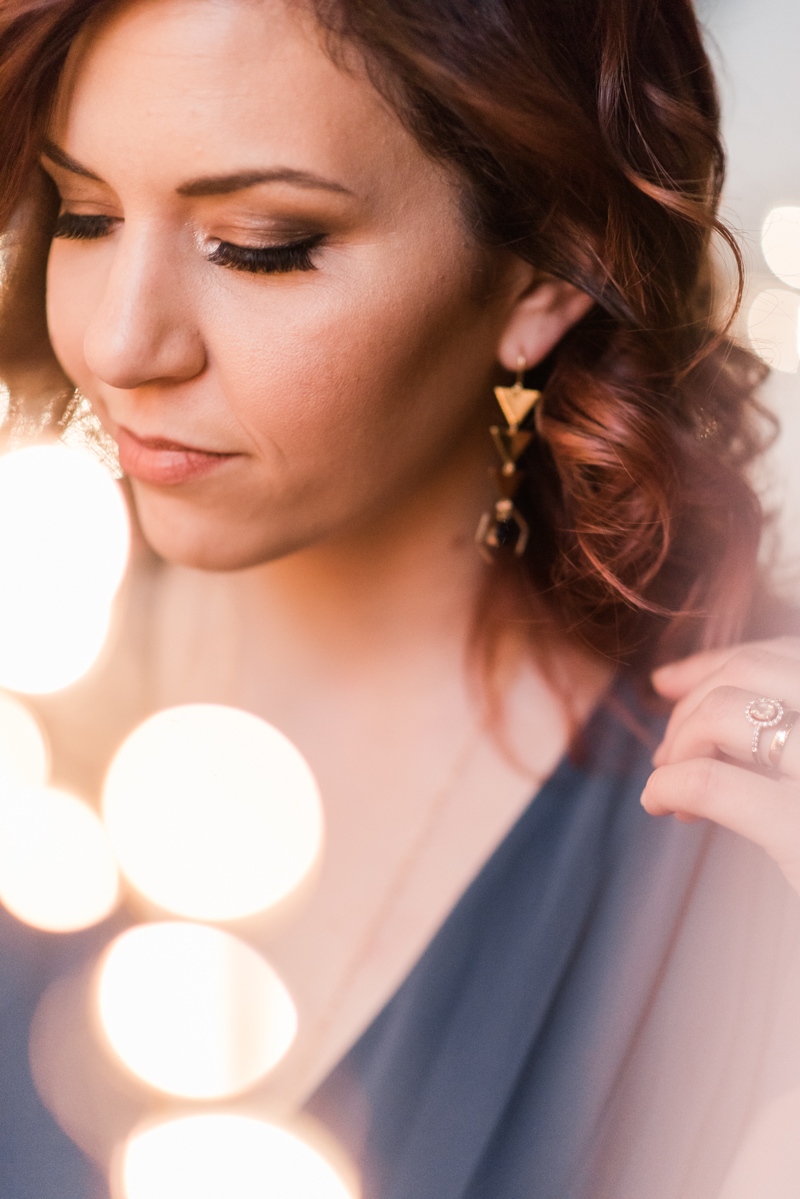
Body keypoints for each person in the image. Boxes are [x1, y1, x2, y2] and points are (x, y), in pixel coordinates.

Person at [1, 0, 800, 1195]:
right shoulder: (33, 671)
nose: (120, 343)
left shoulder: (730, 841)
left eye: (258, 243)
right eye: (86, 214)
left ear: (540, 276)